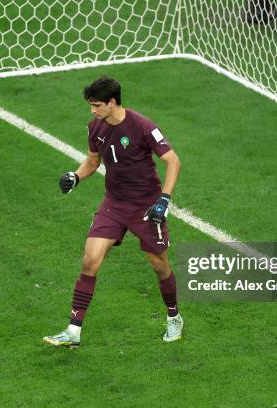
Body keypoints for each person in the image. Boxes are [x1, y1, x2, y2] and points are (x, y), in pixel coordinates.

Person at [43, 76, 183, 347]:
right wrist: (76, 176)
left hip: (146, 206)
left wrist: (164, 200)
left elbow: (172, 161)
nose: (92, 111)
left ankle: (174, 316)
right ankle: (73, 330)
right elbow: (93, 162)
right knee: (90, 260)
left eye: (96, 105)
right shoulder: (96, 127)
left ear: (112, 102)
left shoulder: (143, 127)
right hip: (114, 204)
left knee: (159, 265)